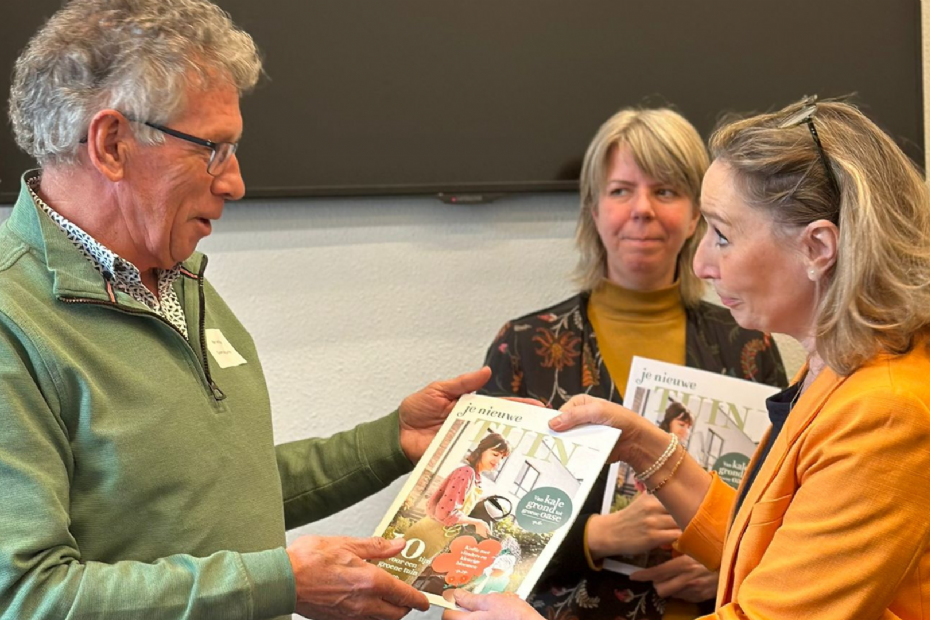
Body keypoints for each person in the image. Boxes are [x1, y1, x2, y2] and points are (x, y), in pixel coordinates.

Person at [0, 1, 494, 619]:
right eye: (213, 149)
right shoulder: (12, 322)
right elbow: (26, 598)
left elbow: (215, 497)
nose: (233, 182)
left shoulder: (175, 280)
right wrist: (279, 582)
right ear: (111, 144)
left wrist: (390, 442)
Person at [451, 97, 930, 619]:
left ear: (817, 248)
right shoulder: (840, 366)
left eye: (721, 235)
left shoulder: (884, 410)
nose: (701, 261)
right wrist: (642, 445)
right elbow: (765, 541)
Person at [480, 108, 786, 620]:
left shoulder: (748, 340)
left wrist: (728, 565)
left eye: (665, 191)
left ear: (697, 216)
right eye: (621, 191)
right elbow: (476, 518)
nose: (642, 209)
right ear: (593, 210)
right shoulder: (526, 345)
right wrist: (593, 538)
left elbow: (789, 503)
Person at [387, 433, 511, 585]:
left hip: (438, 536)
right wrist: (477, 522)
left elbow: (460, 508)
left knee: (402, 579)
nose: (498, 461)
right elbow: (445, 512)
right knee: (395, 576)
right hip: (429, 533)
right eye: (495, 454)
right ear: (482, 450)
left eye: (502, 458)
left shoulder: (476, 479)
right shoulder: (466, 473)